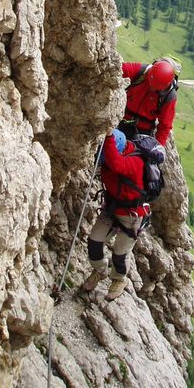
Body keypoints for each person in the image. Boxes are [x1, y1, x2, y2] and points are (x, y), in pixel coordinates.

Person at [83, 128, 152, 299]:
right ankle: (100, 271)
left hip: (131, 215)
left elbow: (117, 165)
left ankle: (119, 280)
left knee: (120, 254)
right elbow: (111, 163)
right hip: (112, 209)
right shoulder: (109, 161)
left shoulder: (136, 161)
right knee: (94, 241)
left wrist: (107, 137)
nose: (103, 163)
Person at [119, 57, 180, 146]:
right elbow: (116, 70)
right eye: (150, 84)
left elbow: (164, 126)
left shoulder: (169, 96)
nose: (152, 88)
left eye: (155, 88)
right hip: (121, 118)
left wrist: (158, 148)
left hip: (142, 131)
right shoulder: (141, 71)